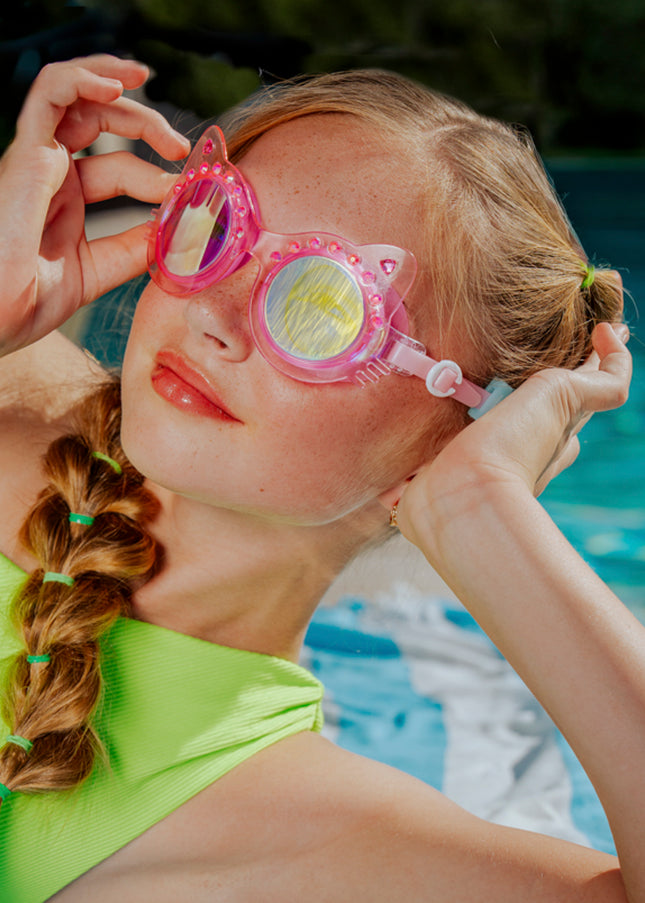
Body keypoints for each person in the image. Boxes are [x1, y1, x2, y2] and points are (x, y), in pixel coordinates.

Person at [0, 53, 640, 903]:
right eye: (217, 225)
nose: (211, 315)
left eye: (320, 307)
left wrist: (481, 509)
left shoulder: (310, 830)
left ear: (455, 432)